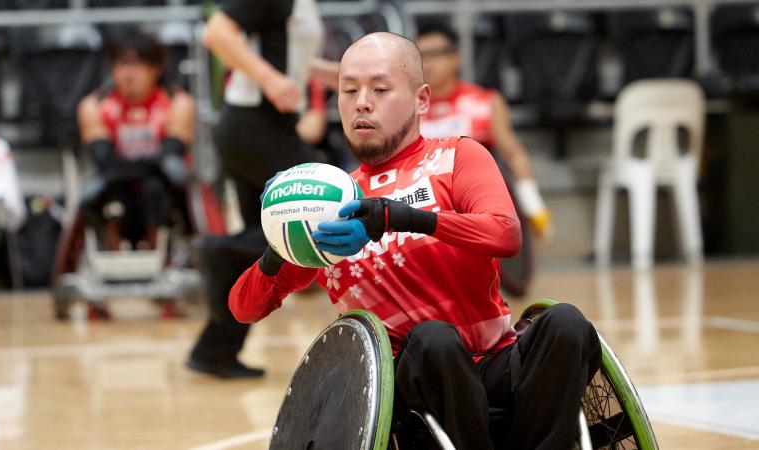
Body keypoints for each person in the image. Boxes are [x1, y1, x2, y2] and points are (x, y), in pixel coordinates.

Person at [229, 32, 602, 449]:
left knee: (566, 322)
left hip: (496, 362)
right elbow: (243, 308)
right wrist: (280, 238)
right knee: (434, 339)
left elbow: (505, 232)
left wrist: (400, 216)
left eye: (380, 89)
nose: (362, 102)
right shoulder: (328, 205)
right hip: (407, 392)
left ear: (421, 100)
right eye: (348, 90)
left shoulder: (458, 157)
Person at [185, 0, 325, 378]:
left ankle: (215, 350)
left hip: (261, 126)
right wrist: (270, 80)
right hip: (255, 125)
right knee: (316, 217)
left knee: (267, 242)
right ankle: (218, 249)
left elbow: (289, 57)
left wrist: (337, 75)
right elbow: (216, 32)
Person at [76, 29, 195, 318]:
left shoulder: (178, 103)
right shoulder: (94, 106)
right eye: (121, 64)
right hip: (116, 185)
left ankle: (160, 259)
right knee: (104, 194)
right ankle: (112, 268)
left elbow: (171, 156)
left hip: (159, 188)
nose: (128, 73)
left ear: (155, 68)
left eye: (137, 64)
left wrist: (139, 165)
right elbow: (103, 159)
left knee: (161, 183)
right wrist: (144, 163)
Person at [416, 22, 553, 238]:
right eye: (421, 56)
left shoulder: (485, 102)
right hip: (422, 202)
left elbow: (514, 155)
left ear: (455, 58)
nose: (428, 63)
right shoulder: (408, 108)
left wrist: (533, 205)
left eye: (436, 54)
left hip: (476, 202)